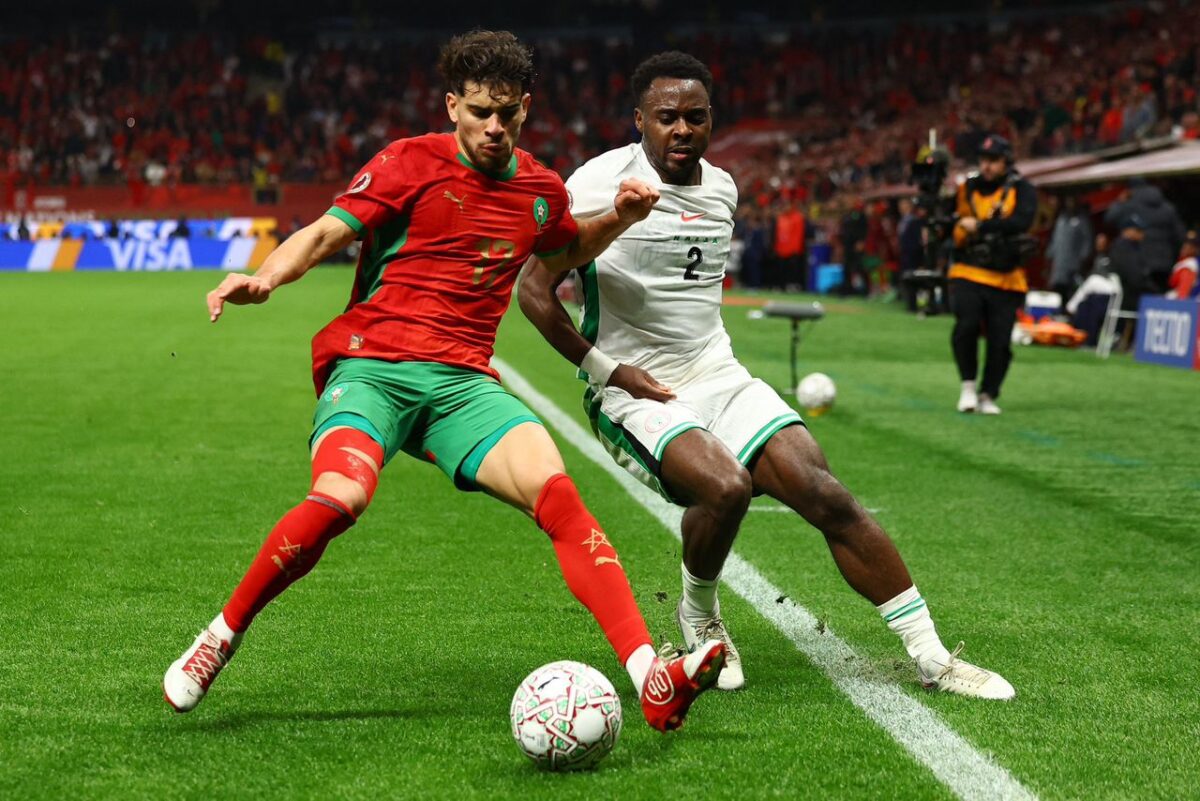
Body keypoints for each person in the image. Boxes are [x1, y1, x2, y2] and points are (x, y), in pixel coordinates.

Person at [162, 30, 725, 733]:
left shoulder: (540, 190)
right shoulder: (407, 162)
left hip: (462, 384)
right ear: (453, 105)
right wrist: (266, 277)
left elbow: (566, 248)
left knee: (558, 495)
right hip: (372, 366)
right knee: (341, 497)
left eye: (508, 114)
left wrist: (618, 217)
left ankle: (651, 678)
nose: (494, 128)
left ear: (525, 109)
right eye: (480, 112)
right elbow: (327, 233)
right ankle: (220, 637)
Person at [520, 51, 1014, 700]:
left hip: (717, 371)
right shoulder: (593, 183)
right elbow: (534, 290)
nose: (682, 129)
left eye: (696, 116)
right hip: (632, 388)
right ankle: (699, 615)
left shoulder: (723, 189)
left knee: (824, 492)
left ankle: (933, 657)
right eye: (666, 117)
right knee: (725, 487)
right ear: (640, 120)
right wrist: (607, 369)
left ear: (711, 119)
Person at [949, 134, 1036, 415]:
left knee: (1000, 341)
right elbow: (952, 219)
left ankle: (988, 393)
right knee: (966, 325)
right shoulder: (967, 188)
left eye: (994, 160)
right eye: (983, 160)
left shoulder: (1022, 189)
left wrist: (982, 227)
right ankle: (968, 386)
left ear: (1006, 161)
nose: (987, 166)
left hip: (1006, 276)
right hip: (968, 269)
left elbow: (1022, 221)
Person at [1103, 178, 1185, 292]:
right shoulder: (1167, 206)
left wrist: (1119, 202)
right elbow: (1180, 236)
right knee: (1160, 296)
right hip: (1165, 262)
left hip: (1140, 263)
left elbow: (1109, 219)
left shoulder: (1128, 204)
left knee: (1140, 294)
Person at [1045, 195, 1093, 306]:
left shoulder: (1082, 220)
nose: (1070, 205)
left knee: (1071, 290)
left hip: (1073, 263)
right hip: (1058, 261)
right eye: (1068, 202)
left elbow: (1087, 241)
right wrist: (1050, 253)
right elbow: (1055, 238)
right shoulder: (1061, 218)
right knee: (1056, 288)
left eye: (1072, 202)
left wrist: (1083, 257)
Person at [1165, 229, 1198, 300]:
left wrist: (1180, 302)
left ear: (1194, 249)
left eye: (1189, 247)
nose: (1184, 249)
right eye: (1184, 246)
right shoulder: (1182, 262)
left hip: (1180, 301)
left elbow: (1183, 292)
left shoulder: (1188, 266)